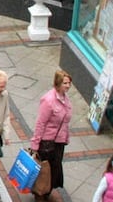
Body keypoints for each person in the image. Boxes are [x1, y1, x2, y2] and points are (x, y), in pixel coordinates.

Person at [30, 69, 73, 202]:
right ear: (58, 83)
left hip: (59, 142)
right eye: (65, 83)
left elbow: (65, 122)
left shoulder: (65, 98)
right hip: (47, 142)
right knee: (44, 170)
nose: (68, 86)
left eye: (69, 83)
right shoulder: (48, 100)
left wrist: (66, 137)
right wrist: (35, 144)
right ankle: (39, 194)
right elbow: (40, 123)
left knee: (54, 168)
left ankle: (46, 191)